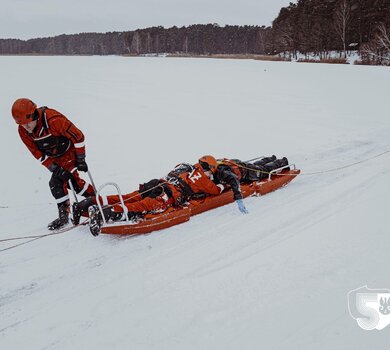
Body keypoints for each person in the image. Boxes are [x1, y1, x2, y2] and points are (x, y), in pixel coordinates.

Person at [73, 162, 227, 235]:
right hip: (167, 194)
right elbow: (215, 191)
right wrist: (221, 185)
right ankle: (106, 213)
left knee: (128, 197)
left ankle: (89, 202)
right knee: (141, 206)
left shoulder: (185, 168)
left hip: (155, 184)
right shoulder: (203, 179)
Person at [11, 98, 94, 230]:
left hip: (69, 152)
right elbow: (37, 153)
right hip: (54, 158)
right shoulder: (23, 130)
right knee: (72, 182)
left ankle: (69, 214)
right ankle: (95, 199)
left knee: (57, 183)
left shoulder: (53, 119)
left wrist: (80, 158)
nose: (26, 127)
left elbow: (78, 136)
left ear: (34, 115)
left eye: (27, 123)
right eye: (21, 124)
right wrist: (53, 168)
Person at [197, 155, 289, 214]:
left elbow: (234, 180)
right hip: (238, 165)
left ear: (212, 168)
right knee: (254, 166)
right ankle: (270, 158)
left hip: (247, 173)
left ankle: (282, 161)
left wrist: (238, 198)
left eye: (205, 171)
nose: (203, 172)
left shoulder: (223, 173)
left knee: (263, 170)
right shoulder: (212, 171)